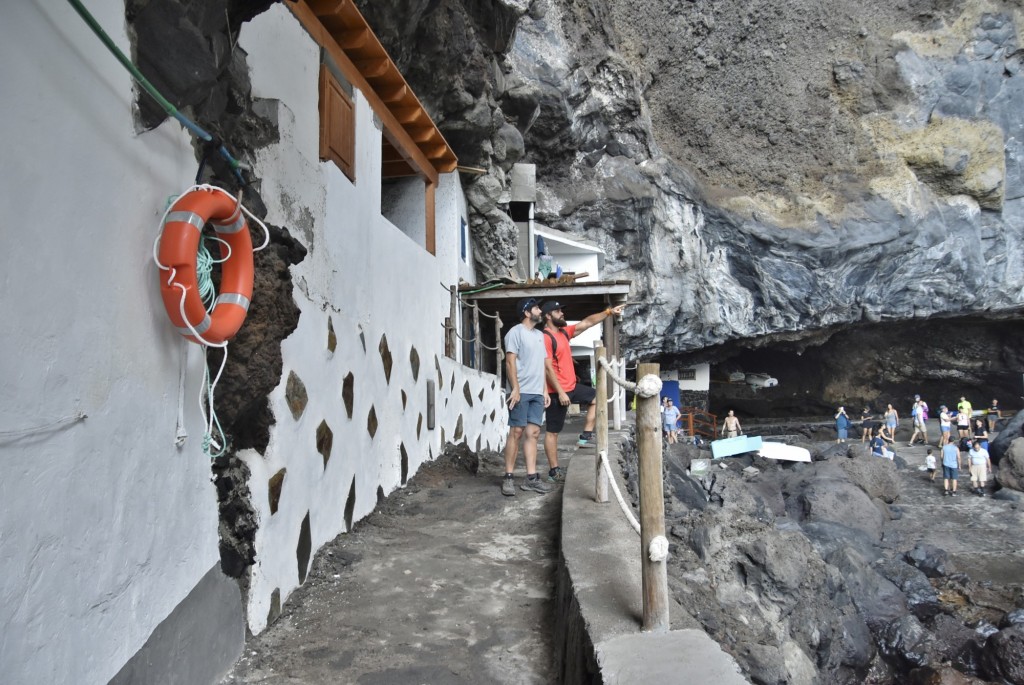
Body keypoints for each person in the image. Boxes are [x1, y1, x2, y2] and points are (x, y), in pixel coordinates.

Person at [539, 300, 625, 482]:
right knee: (553, 432)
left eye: (561, 310)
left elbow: (587, 322)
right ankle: (554, 471)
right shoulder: (545, 337)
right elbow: (547, 368)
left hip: (571, 387)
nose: (562, 313)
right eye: (557, 311)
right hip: (557, 392)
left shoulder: (563, 332)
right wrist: (561, 392)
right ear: (548, 316)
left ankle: (585, 436)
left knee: (595, 397)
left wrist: (608, 312)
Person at [501, 298, 552, 496]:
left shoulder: (540, 335)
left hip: (537, 392)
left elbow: (542, 365)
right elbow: (510, 362)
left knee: (533, 434)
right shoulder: (515, 332)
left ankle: (531, 478)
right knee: (517, 432)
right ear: (527, 312)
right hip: (520, 391)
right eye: (537, 308)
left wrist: (545, 390)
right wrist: (515, 388)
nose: (540, 310)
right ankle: (508, 477)